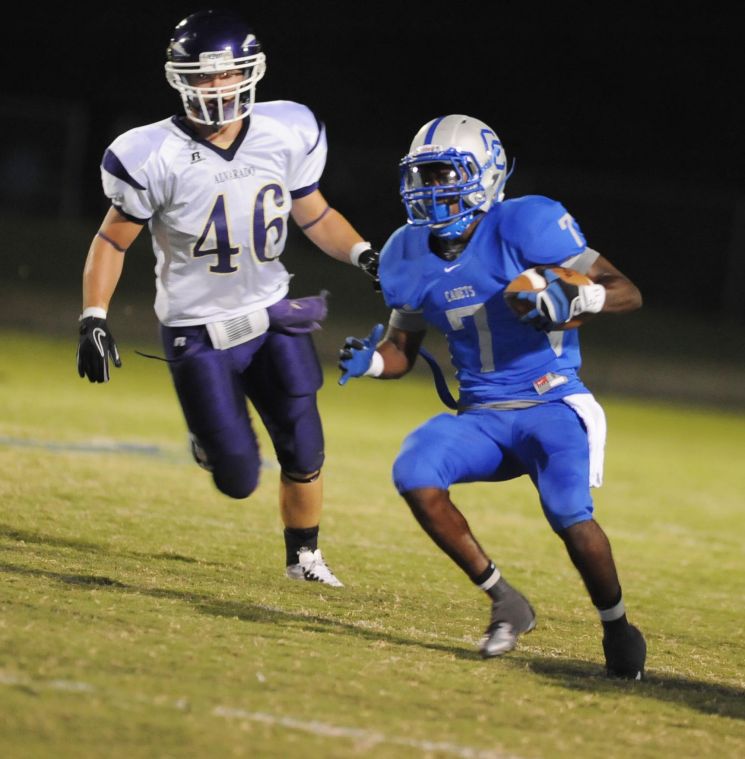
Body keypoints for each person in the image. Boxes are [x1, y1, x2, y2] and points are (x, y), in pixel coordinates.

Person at [76, 9, 380, 587]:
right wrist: (94, 316)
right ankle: (210, 440)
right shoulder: (150, 155)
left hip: (272, 315)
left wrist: (365, 253)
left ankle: (303, 560)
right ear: (179, 78)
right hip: (199, 330)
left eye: (227, 74)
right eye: (203, 76)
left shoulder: (285, 131)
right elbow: (112, 240)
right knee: (238, 477)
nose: (216, 88)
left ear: (251, 72)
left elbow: (314, 214)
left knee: (304, 444)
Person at [338, 114, 647, 678]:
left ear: (487, 174)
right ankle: (506, 599)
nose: (431, 190)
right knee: (415, 469)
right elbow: (402, 349)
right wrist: (373, 361)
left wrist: (577, 301)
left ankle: (617, 624)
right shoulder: (406, 250)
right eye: (422, 177)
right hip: (481, 414)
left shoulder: (527, 223)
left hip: (550, 402)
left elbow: (625, 291)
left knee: (567, 512)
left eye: (443, 174)